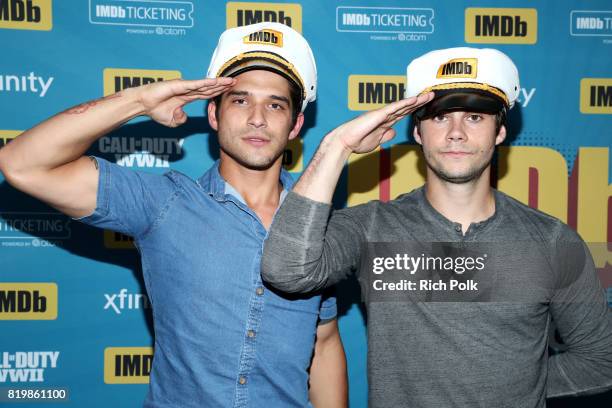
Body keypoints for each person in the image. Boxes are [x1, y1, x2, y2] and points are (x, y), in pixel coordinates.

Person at [0, 22, 347, 408]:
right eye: (240, 100)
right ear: (213, 114)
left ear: (296, 125)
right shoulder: (163, 203)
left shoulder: (321, 223)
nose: (258, 118)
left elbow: (325, 338)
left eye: (275, 104)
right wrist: (140, 102)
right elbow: (23, 164)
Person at [261, 47, 612, 407]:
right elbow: (285, 270)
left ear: (500, 131)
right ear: (418, 132)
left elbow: (602, 359)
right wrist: (337, 146)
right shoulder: (372, 229)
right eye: (441, 117)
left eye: (475, 117)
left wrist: (520, 388)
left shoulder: (552, 243)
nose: (456, 133)